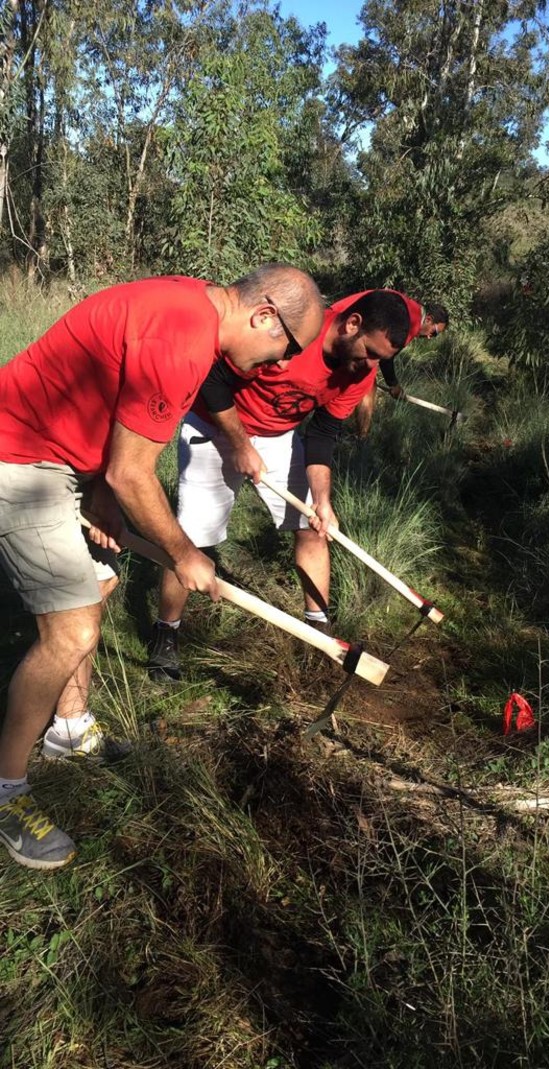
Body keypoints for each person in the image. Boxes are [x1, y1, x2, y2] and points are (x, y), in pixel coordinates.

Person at [0, 264, 324, 870]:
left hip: (69, 458)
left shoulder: (190, 303)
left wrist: (97, 485)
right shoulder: (183, 339)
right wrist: (183, 554)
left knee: (100, 582)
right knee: (71, 630)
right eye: (287, 347)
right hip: (20, 458)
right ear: (264, 316)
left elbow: (111, 423)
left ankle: (69, 730)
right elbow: (133, 472)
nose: (281, 365)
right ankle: (7, 793)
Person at [148, 288, 443, 683]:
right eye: (369, 352)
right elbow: (213, 379)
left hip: (279, 434)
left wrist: (322, 501)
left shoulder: (361, 371)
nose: (370, 366)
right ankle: (166, 634)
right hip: (217, 424)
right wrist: (238, 443)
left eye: (380, 360)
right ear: (351, 324)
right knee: (191, 541)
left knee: (313, 527)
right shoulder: (293, 331)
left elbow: (323, 432)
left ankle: (318, 632)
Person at [354, 302, 450, 436]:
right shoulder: (408, 322)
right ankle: (361, 439)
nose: (430, 337)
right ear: (428, 319)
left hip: (355, 335)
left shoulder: (410, 312)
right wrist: (394, 385)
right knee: (368, 383)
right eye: (434, 332)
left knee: (368, 380)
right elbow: (386, 358)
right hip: (352, 338)